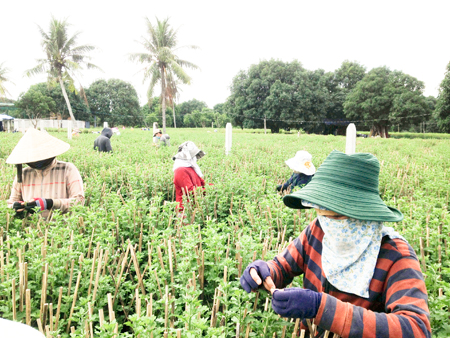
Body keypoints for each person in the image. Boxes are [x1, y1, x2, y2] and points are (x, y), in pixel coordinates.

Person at [240, 150, 430, 338]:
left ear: (364, 212)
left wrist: (323, 308)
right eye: (320, 212)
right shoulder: (319, 230)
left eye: (336, 216)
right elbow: (283, 265)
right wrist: (265, 271)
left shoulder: (396, 256)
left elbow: (416, 329)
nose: (327, 222)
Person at [6, 128, 85, 219]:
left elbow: (79, 202)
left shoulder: (67, 169)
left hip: (60, 230)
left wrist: (50, 203)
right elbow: (11, 202)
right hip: (31, 230)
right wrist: (15, 207)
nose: (37, 160)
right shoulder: (23, 174)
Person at [173, 141, 206, 211]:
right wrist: (208, 190)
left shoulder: (191, 168)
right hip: (185, 209)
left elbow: (201, 182)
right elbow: (190, 191)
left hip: (194, 206)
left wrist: (213, 187)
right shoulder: (180, 170)